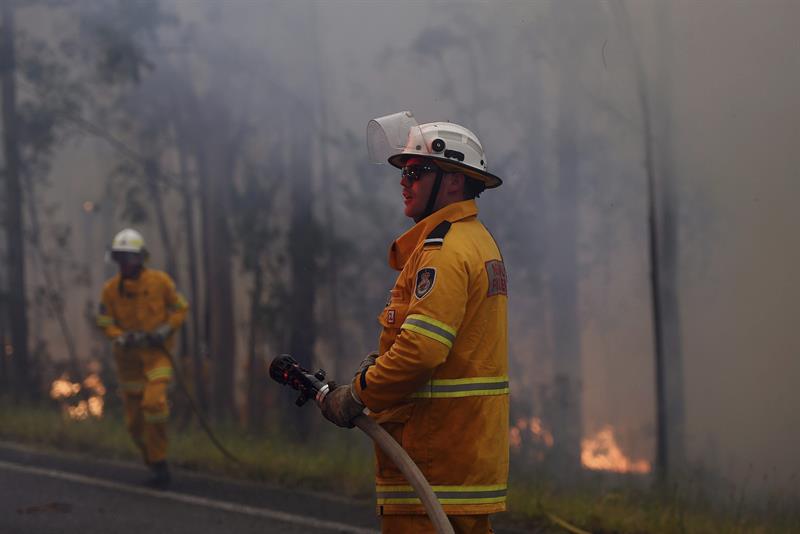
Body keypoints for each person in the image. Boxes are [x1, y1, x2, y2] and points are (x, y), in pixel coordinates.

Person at [320, 112, 509, 533]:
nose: (404, 181)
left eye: (417, 171)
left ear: (455, 181)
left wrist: (357, 395)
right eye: (403, 172)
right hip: (460, 462)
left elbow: (421, 351)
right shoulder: (477, 241)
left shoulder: (443, 252)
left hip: (430, 459)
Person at [96, 228, 188, 489]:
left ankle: (160, 462)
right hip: (128, 366)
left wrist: (166, 329)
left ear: (141, 258)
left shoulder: (160, 282)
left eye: (130, 257)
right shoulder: (110, 290)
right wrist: (119, 336)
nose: (125, 263)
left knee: (154, 403)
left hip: (157, 358)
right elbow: (104, 321)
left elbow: (181, 308)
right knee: (135, 426)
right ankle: (154, 463)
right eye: (120, 257)